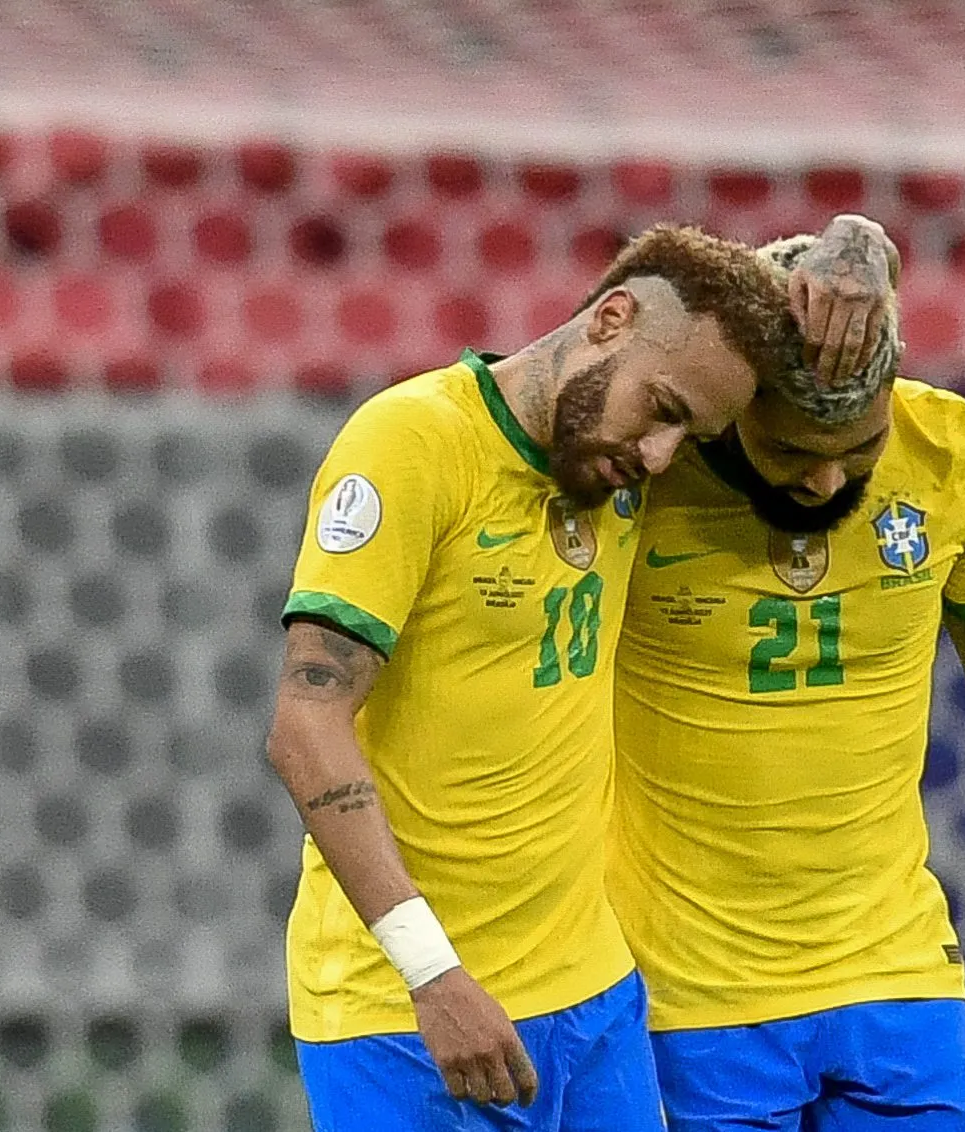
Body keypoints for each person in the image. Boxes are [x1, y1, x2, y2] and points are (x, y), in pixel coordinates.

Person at [266, 223, 810, 1131]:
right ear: (610, 318)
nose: (662, 456)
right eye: (661, 407)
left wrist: (856, 250)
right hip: (406, 1015)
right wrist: (431, 973)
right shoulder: (412, 442)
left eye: (692, 433)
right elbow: (303, 726)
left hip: (594, 1002)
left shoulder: (613, 472)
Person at [604, 230, 965, 1131]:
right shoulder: (647, 472)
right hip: (684, 997)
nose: (830, 477)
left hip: (897, 975)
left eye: (861, 445)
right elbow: (584, 352)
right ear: (736, 403)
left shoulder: (959, 459)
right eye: (795, 451)